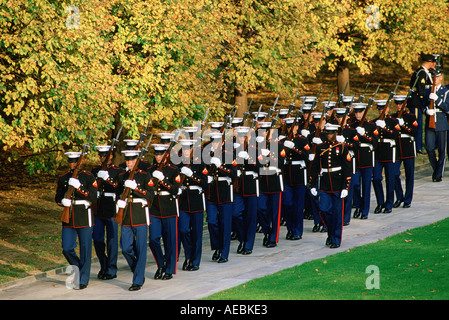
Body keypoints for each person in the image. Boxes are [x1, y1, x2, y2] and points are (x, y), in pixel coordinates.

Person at [55, 151, 98, 289]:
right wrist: (62, 201)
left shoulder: (88, 177)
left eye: (75, 162)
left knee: (85, 248)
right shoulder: (63, 178)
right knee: (67, 248)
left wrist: (79, 187)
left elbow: (93, 197)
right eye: (70, 162)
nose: (72, 164)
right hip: (69, 216)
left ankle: (83, 279)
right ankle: (79, 268)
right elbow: (58, 196)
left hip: (84, 215)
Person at [116, 150, 154, 291]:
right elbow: (118, 192)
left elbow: (151, 194)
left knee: (141, 248)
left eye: (132, 161)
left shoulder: (144, 175)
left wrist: (137, 188)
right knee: (125, 248)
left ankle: (137, 280)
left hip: (139, 214)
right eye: (127, 161)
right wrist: (118, 203)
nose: (129, 163)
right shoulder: (122, 176)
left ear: (137, 161)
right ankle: (137, 269)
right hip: (126, 214)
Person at [309, 123, 352, 249]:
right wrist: (312, 184)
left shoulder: (343, 148)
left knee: (337, 213)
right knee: (324, 210)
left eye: (331, 133)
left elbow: (347, 168)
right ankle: (330, 232)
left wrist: (345, 186)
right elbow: (315, 167)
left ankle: (336, 239)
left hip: (338, 184)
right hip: (325, 184)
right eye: (327, 133)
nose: (329, 135)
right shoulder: (320, 148)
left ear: (336, 133)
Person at [147, 143, 181, 280]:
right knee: (153, 239)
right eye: (156, 154)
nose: (158, 157)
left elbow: (175, 190)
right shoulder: (150, 170)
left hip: (169, 208)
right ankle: (161, 264)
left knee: (170, 241)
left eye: (160, 154)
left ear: (166, 155)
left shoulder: (173, 170)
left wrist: (164, 180)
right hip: (155, 208)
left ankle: (169, 269)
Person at [91, 145, 123, 280]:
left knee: (111, 240)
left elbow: (119, 188)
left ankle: (111, 269)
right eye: (101, 155)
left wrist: (108, 179)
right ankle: (104, 264)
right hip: (98, 208)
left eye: (105, 155)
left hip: (111, 207)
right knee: (97, 239)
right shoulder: (94, 170)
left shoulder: (117, 171)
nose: (103, 158)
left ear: (111, 156)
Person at [205, 131, 238, 263]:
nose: (216, 144)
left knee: (225, 224)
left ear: (222, 142)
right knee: (212, 221)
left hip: (225, 192)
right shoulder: (207, 154)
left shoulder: (229, 154)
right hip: (212, 192)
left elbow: (234, 173)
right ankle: (217, 247)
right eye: (213, 142)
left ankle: (224, 253)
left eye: (218, 141)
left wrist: (221, 167)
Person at [177, 139, 209, 271]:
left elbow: (205, 183)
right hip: (184, 200)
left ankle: (195, 261)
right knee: (183, 229)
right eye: (183, 149)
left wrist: (192, 175)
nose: (185, 152)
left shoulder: (201, 162)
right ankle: (188, 256)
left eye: (188, 149)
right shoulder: (178, 163)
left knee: (196, 233)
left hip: (196, 201)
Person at [232, 126, 260, 255]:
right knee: (236, 213)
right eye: (239, 136)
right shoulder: (232, 149)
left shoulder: (254, 149)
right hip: (237, 185)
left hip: (250, 184)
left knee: (250, 216)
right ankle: (242, 238)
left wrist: (249, 157)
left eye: (243, 136)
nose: (241, 138)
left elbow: (260, 166)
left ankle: (248, 244)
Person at [257, 121, 285, 248]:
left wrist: (270, 154)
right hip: (263, 181)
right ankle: (267, 231)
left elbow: (281, 163)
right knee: (261, 208)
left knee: (275, 212)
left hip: (274, 181)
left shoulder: (277, 145)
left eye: (264, 131)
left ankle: (274, 238)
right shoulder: (257, 146)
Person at [349, 103, 378, 219]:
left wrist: (364, 134)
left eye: (360, 112)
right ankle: (359, 206)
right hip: (355, 159)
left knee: (366, 185)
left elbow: (375, 143)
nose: (357, 114)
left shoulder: (371, 126)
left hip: (366, 158)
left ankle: (364, 210)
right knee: (355, 184)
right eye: (356, 112)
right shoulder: (351, 126)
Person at [282, 118, 310, 240]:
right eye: (288, 126)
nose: (290, 129)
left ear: (296, 127)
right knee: (287, 203)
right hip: (287, 174)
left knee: (298, 205)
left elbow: (307, 156)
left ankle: (297, 231)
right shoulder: (282, 140)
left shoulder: (302, 140)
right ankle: (290, 229)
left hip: (299, 174)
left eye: (292, 126)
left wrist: (294, 148)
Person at [372, 99, 400, 214]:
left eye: (383, 108)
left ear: (387, 109)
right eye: (379, 109)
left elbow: (396, 135)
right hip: (378, 153)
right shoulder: (374, 122)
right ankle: (380, 202)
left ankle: (389, 203)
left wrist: (385, 127)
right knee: (377, 178)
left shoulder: (393, 121)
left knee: (390, 178)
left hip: (389, 152)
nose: (381, 111)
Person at [391, 95, 419, 208]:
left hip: (407, 148)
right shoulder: (392, 117)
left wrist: (403, 125)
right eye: (397, 104)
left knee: (409, 174)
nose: (398, 106)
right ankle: (399, 196)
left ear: (405, 104)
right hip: (396, 149)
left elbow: (414, 132)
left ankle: (407, 199)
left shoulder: (411, 117)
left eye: (401, 104)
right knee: (394, 173)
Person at [409, 53, 437, 154]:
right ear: (429, 63)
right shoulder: (421, 73)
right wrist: (424, 104)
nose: (434, 64)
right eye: (433, 62)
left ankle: (419, 145)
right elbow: (421, 91)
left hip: (420, 103)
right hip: (417, 103)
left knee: (420, 124)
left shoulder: (425, 72)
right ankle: (417, 147)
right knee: (417, 124)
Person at [424, 71, 449, 182]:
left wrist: (437, 100)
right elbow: (422, 105)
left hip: (441, 121)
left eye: (437, 76)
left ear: (441, 78)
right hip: (430, 121)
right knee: (429, 147)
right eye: (433, 76)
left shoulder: (446, 91)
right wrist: (426, 111)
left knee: (442, 150)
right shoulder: (428, 91)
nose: (435, 79)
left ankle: (438, 174)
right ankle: (436, 169)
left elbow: (447, 108)